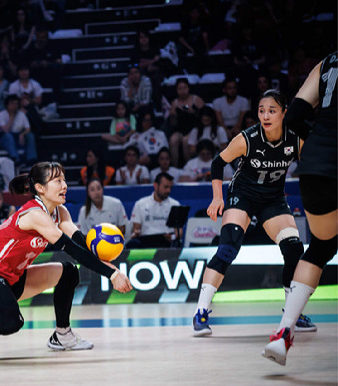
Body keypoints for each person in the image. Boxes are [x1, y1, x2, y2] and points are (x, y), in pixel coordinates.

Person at [0, 162, 132, 365]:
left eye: (64, 180)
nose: (64, 185)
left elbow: (80, 243)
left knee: (69, 272)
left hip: (15, 277)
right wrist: (111, 275)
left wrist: (109, 265)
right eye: (57, 181)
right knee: (11, 322)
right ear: (40, 188)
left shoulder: (61, 212)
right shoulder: (34, 214)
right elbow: (72, 250)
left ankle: (63, 335)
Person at [191, 90, 316, 338]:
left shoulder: (295, 139)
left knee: (293, 248)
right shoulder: (247, 138)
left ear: (284, 113)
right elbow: (218, 163)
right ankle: (201, 313)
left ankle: (293, 313)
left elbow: (314, 165)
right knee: (228, 248)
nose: (266, 116)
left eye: (272, 110)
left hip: (273, 199)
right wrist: (217, 197)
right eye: (261, 110)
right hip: (243, 195)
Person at [262, 52, 337, 365]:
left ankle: (283, 335)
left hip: (317, 163)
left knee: (319, 249)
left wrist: (320, 140)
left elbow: (292, 116)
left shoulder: (329, 62)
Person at [125, 173, 181, 249]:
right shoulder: (140, 204)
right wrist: (136, 232)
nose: (168, 190)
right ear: (155, 185)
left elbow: (179, 231)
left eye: (170, 188)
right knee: (133, 243)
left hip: (167, 242)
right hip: (146, 242)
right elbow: (136, 228)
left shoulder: (175, 204)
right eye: (166, 187)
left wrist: (173, 237)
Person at [168, 78, 205, 167]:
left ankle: (189, 167)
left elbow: (205, 116)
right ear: (176, 90)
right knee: (173, 140)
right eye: (180, 88)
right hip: (181, 130)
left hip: (195, 129)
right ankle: (175, 167)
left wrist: (193, 112)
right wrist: (172, 116)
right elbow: (173, 124)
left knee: (186, 141)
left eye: (185, 88)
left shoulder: (196, 100)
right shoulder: (175, 103)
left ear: (188, 88)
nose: (183, 91)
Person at [0, 94, 37, 166]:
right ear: (7, 104)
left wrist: (22, 134)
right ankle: (16, 159)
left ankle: (31, 159)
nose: (14, 106)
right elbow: (5, 130)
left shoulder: (21, 114)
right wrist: (12, 116)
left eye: (16, 104)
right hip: (5, 138)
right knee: (8, 136)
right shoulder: (1, 115)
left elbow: (28, 128)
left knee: (30, 135)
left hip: (19, 135)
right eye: (12, 103)